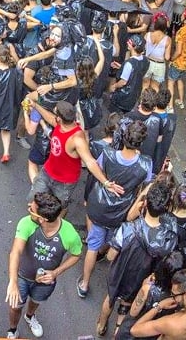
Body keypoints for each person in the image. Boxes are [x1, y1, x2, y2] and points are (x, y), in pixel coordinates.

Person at [77, 120, 153, 299]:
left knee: (93, 246)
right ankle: (111, 290)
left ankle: (85, 283)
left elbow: (97, 168)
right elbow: (145, 187)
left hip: (100, 206)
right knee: (115, 247)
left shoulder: (108, 153)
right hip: (122, 212)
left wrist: (107, 183)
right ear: (140, 143)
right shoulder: (145, 163)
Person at [97, 181, 178, 336]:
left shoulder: (128, 229)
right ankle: (118, 331)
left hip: (119, 273)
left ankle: (101, 326)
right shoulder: (168, 237)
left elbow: (110, 255)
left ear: (145, 203)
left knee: (110, 298)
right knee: (127, 304)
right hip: (142, 279)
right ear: (165, 209)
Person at [4, 192, 82, 339]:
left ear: (43, 219)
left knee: (36, 300)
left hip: (45, 281)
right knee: (15, 307)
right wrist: (13, 282)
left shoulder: (70, 234)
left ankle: (29, 316)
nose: (28, 208)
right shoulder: (26, 223)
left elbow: (76, 255)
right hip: (22, 276)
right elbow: (15, 252)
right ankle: (13, 329)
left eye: (31, 210)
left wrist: (55, 273)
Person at [27, 100, 121, 214]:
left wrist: (105, 183)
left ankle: (58, 226)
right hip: (47, 172)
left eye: (56, 113)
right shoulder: (60, 124)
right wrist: (36, 105)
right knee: (34, 201)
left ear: (60, 119)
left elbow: (90, 161)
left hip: (64, 182)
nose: (54, 116)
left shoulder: (77, 139)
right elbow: (50, 118)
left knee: (59, 208)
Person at [129, 269, 186, 339]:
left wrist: (159, 306)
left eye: (174, 294)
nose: (172, 297)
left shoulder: (170, 323)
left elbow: (135, 330)